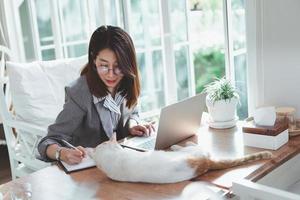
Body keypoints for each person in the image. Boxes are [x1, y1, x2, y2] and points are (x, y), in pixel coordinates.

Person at [38, 25, 154, 165]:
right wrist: (62, 153)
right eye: (104, 65)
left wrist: (132, 125)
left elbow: (133, 113)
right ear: (94, 60)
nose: (111, 74)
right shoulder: (78, 93)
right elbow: (48, 141)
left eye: (118, 66)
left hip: (121, 162)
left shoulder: (126, 80)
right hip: (89, 171)